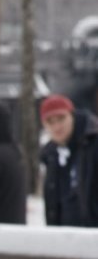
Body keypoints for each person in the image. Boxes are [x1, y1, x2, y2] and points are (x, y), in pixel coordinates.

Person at [39, 93, 98, 227]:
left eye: (61, 118)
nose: (57, 127)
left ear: (72, 116)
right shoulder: (51, 155)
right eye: (50, 122)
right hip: (64, 234)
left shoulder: (93, 145)